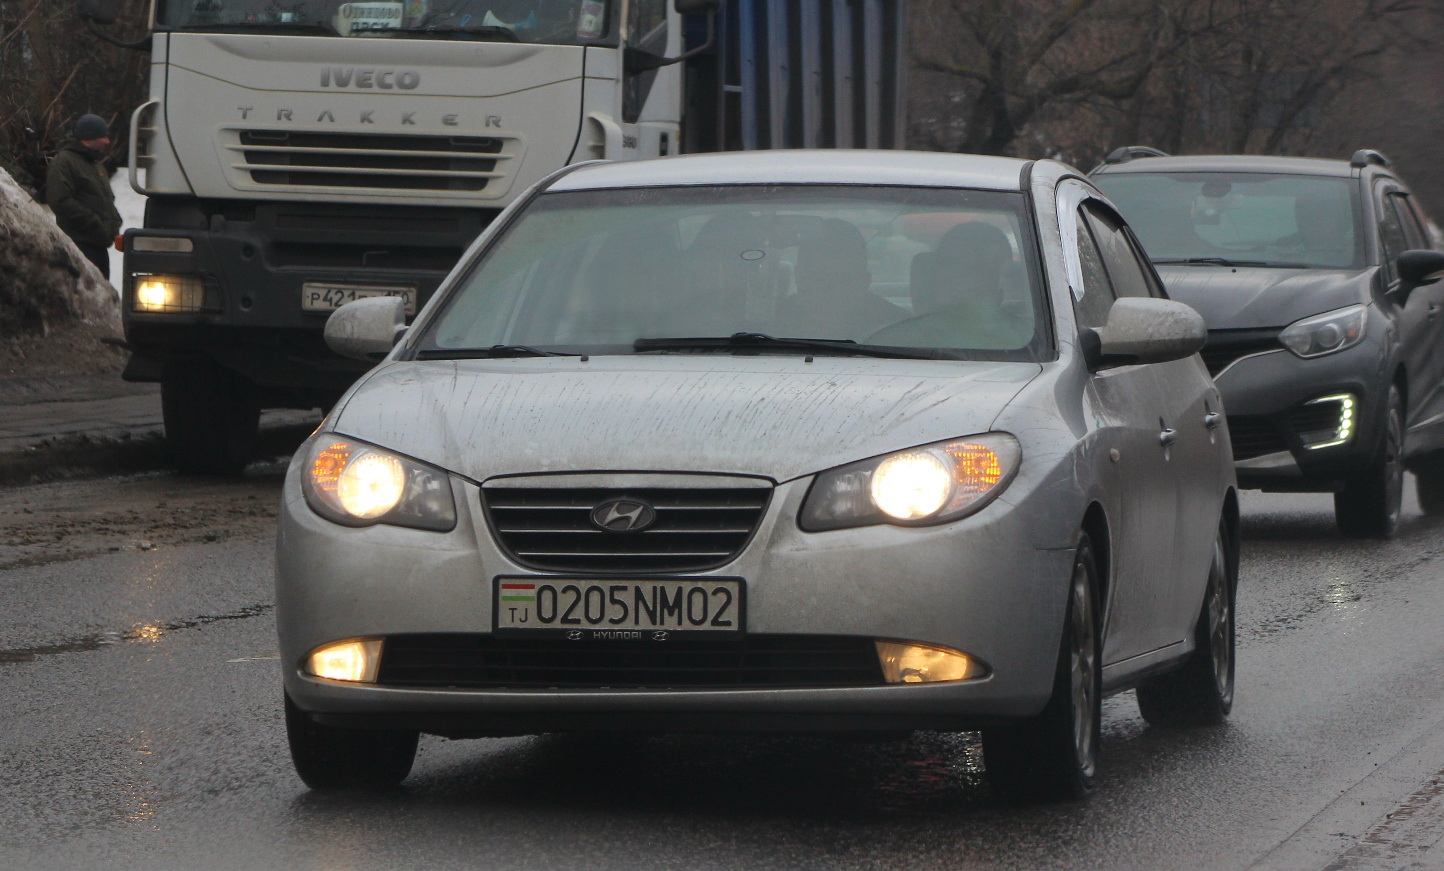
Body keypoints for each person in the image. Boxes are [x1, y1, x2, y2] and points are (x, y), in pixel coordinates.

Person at [871, 220, 1032, 349]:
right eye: (947, 264)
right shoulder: (890, 340)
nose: (949, 276)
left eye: (973, 269)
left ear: (996, 280)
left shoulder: (1028, 342)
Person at [777, 218, 905, 339]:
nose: (824, 290)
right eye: (816, 278)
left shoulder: (900, 330)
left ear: (864, 282)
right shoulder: (770, 326)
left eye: (836, 280)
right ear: (798, 276)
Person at [46, 114, 122, 279]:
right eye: (103, 136)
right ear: (88, 137)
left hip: (98, 247)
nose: (107, 141)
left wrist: (114, 222)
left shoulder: (96, 165)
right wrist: (94, 222)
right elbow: (61, 201)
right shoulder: (64, 161)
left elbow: (106, 200)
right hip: (78, 247)